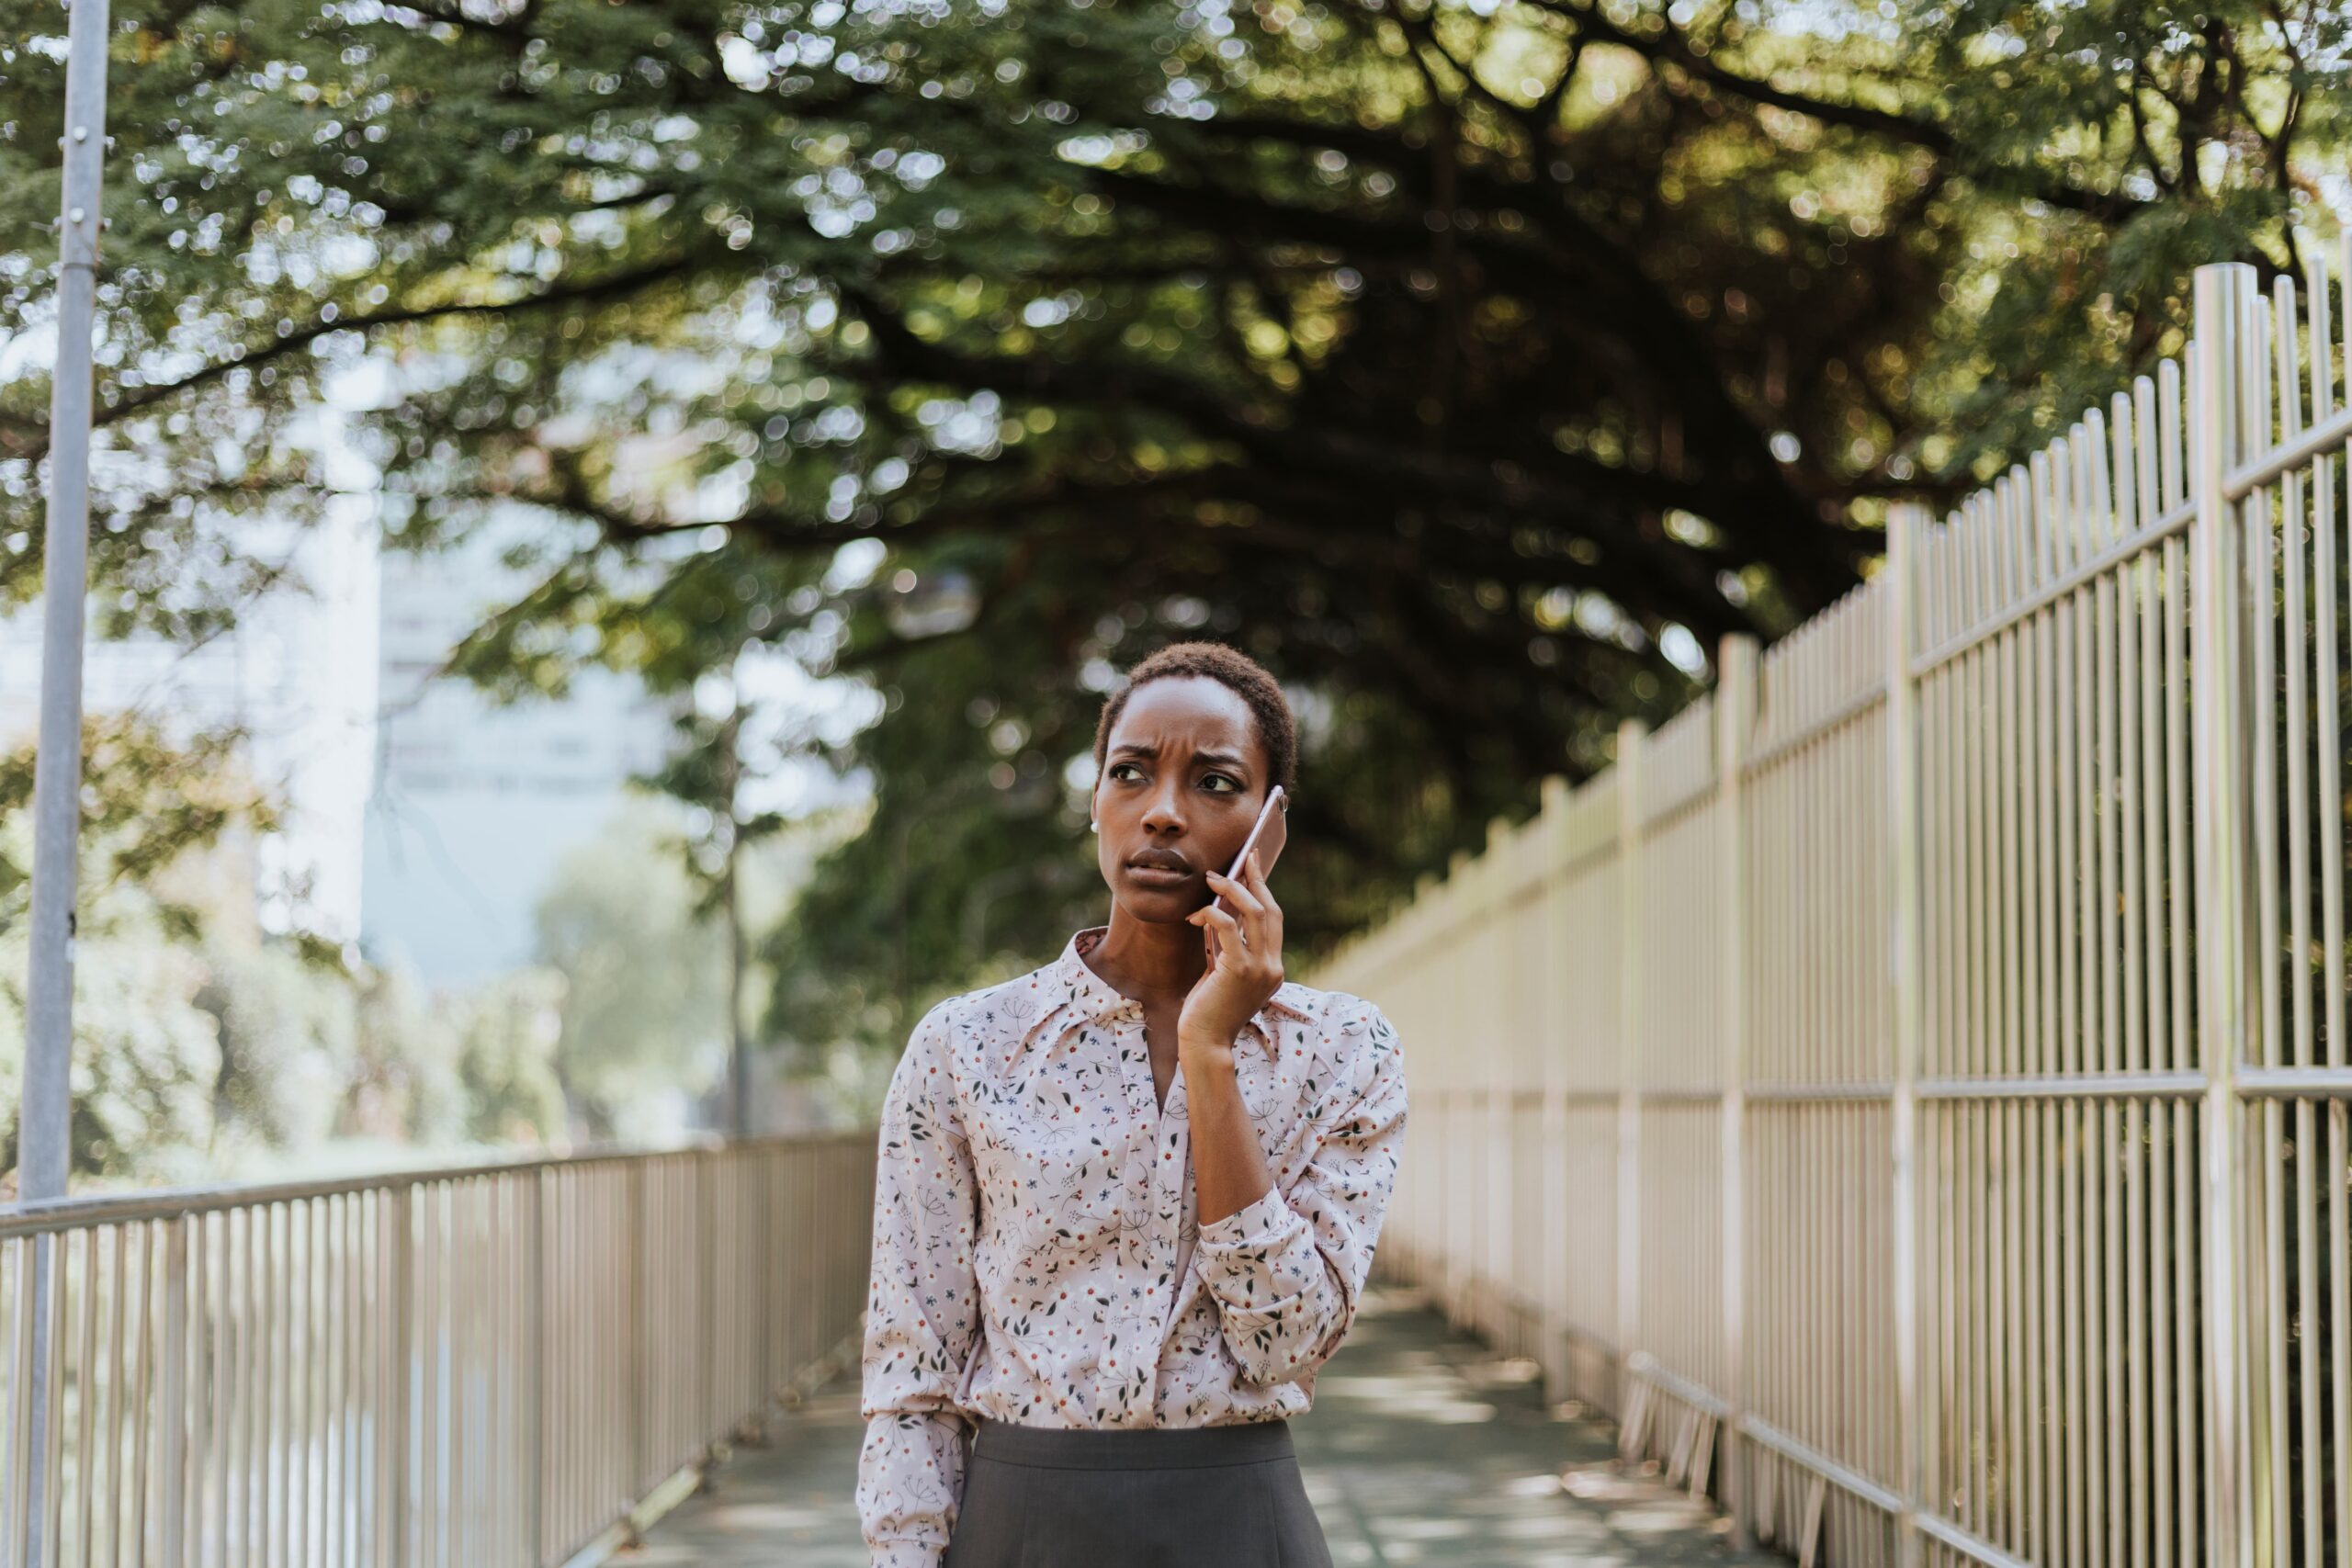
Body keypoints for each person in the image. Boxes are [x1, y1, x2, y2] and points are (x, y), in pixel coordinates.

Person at [854, 640, 1409, 1567]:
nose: (1162, 812)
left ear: (1269, 825)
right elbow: (913, 1369)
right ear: (1095, 803)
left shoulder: (1345, 1049)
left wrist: (1210, 1050)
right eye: (1131, 773)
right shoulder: (966, 1047)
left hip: (1243, 1523)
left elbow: (1288, 1338)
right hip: (1018, 1525)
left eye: (1215, 783)